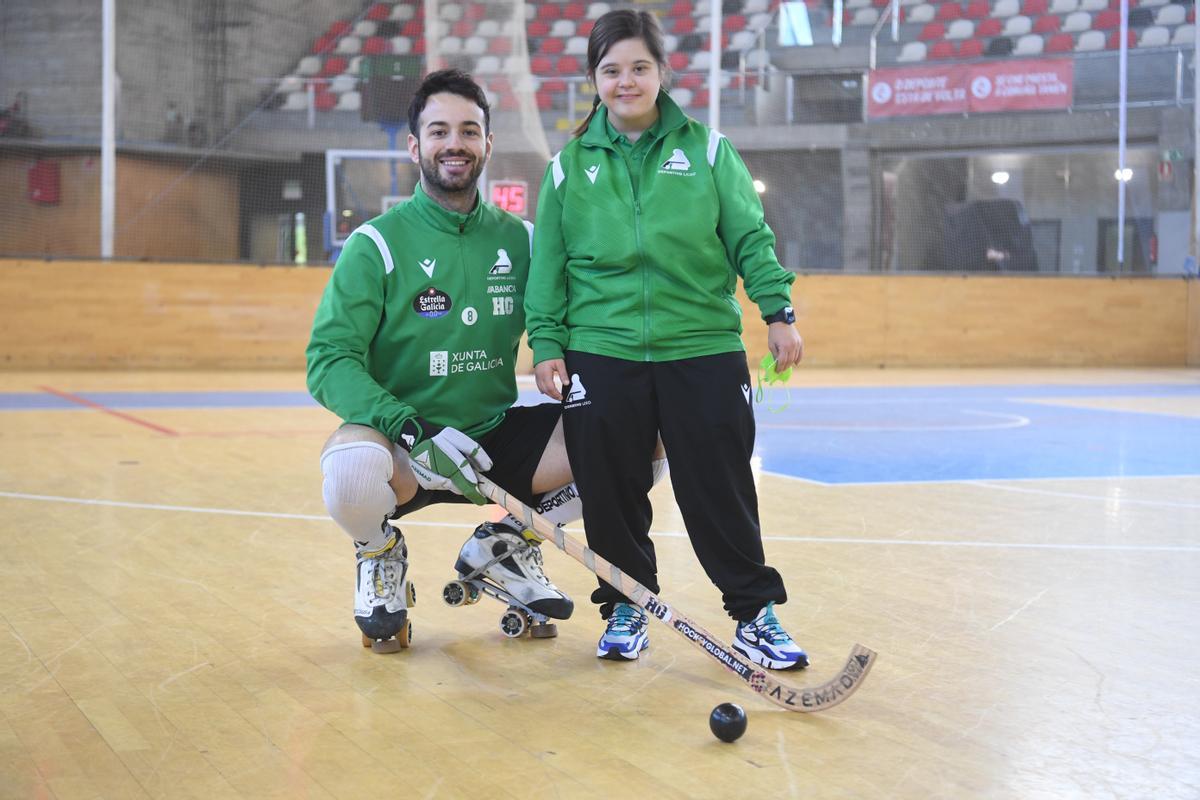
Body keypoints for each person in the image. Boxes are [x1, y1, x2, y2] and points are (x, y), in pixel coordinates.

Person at [524, 10, 809, 670]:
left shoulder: (709, 151)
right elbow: (550, 268)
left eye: (639, 67)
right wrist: (547, 344)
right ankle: (627, 603)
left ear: (662, 72)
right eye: (611, 70)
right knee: (611, 485)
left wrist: (777, 309)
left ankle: (753, 615)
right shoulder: (568, 168)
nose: (626, 81)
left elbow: (748, 237)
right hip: (602, 348)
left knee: (720, 484)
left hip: (702, 344)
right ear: (594, 79)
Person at [307, 69, 583, 651]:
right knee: (349, 471)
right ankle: (379, 556)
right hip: (404, 441)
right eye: (438, 131)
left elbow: (564, 325)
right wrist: (410, 426)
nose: (453, 143)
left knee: (637, 436)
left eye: (468, 130)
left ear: (487, 144)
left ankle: (507, 546)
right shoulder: (375, 245)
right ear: (415, 146)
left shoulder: (525, 242)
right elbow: (328, 360)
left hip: (493, 439)